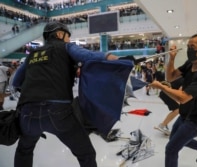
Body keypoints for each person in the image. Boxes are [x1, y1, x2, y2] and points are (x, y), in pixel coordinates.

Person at [12, 21, 119, 167]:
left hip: (27, 114)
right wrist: (108, 57)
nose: (69, 39)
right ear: (60, 34)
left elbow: (16, 82)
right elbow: (85, 55)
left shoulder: (32, 54)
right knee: (85, 153)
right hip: (58, 113)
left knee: (24, 151)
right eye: (68, 36)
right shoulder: (66, 46)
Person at [150, 33, 197, 167]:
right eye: (188, 46)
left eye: (193, 47)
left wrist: (161, 87)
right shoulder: (189, 64)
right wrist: (172, 58)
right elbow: (170, 77)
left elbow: (184, 97)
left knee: (171, 149)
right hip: (185, 114)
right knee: (173, 139)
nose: (189, 50)